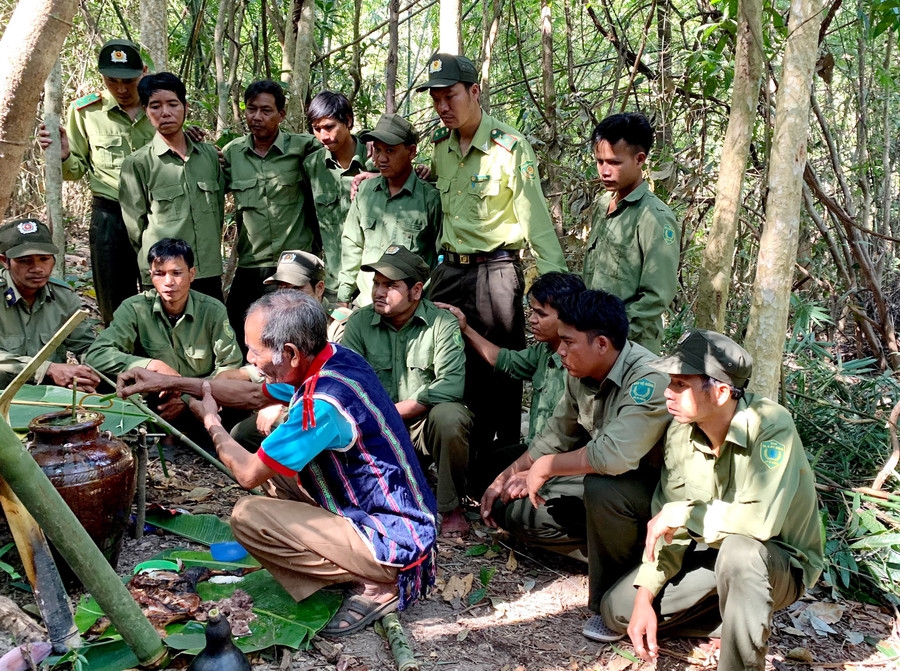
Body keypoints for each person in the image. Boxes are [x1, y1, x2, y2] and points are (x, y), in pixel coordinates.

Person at [116, 291, 437, 636]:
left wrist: (212, 423)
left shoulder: (322, 403)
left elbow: (248, 473)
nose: (250, 360)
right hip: (387, 514)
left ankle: (378, 579)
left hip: (392, 536)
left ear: (290, 354)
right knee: (280, 477)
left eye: (255, 350)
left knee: (248, 516)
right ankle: (356, 561)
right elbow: (254, 395)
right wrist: (171, 381)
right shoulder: (333, 359)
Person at [599, 330, 824, 670]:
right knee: (618, 611)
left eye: (679, 384)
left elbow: (760, 523)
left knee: (741, 552)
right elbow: (669, 526)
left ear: (720, 392)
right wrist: (645, 595)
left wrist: (685, 513)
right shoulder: (681, 430)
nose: (667, 393)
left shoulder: (771, 425)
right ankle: (735, 616)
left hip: (776, 562)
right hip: (710, 550)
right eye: (670, 382)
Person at [481, 290, 670, 623]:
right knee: (513, 510)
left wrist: (546, 468)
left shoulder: (647, 378)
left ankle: (612, 592)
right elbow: (555, 436)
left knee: (601, 489)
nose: (561, 351)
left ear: (601, 344)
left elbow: (615, 455)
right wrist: (505, 478)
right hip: (606, 485)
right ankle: (619, 552)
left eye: (568, 342)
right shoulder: (581, 374)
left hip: (654, 495)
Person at [416, 52, 568, 465]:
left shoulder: (510, 148)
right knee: (443, 363)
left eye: (451, 97)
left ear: (474, 91)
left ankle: (497, 464)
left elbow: (535, 220)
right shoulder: (440, 149)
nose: (443, 108)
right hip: (448, 271)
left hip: (496, 273)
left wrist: (562, 299)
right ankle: (452, 460)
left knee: (498, 375)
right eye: (436, 100)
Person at [342, 246, 472, 537]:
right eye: (376, 283)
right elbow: (345, 383)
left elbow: (451, 384)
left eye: (390, 285)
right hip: (374, 430)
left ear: (416, 291)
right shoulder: (360, 323)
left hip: (421, 430)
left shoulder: (441, 323)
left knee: (451, 415)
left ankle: (450, 506)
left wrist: (396, 411)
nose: (379, 291)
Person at [37, 39, 151, 324]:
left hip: (157, 215)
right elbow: (74, 169)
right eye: (112, 81)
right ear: (102, 78)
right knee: (113, 298)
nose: (122, 89)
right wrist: (62, 155)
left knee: (160, 292)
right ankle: (119, 362)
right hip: (110, 215)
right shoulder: (86, 110)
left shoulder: (160, 105)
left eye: (129, 80)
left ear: (144, 72)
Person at [439, 271, 585, 492]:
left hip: (565, 461)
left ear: (568, 316)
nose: (532, 320)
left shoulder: (583, 363)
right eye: (532, 311)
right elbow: (505, 360)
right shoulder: (544, 351)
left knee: (515, 508)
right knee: (476, 475)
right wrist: (466, 328)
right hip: (534, 451)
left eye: (541, 314)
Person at [84, 239, 242, 417]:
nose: (168, 282)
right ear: (150, 275)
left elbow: (229, 367)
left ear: (192, 274)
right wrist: (152, 365)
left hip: (200, 399)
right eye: (159, 273)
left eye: (176, 273)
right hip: (149, 402)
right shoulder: (134, 308)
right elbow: (96, 355)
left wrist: (187, 398)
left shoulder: (212, 310)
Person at [223, 80, 320, 350]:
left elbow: (341, 154)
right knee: (239, 332)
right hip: (252, 263)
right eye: (251, 109)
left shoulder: (303, 148)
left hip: (294, 265)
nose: (257, 117)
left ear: (282, 114)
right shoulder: (233, 153)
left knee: (296, 338)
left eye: (266, 110)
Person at [119, 72, 225, 301]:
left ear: (185, 107)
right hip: (164, 276)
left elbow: (217, 210)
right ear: (146, 112)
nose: (165, 113)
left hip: (207, 270)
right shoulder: (138, 164)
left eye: (173, 104)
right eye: (155, 106)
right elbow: (135, 228)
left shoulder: (209, 156)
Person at [582, 112, 680, 355]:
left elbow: (657, 296)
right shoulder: (603, 204)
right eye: (599, 161)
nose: (604, 171)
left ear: (639, 159)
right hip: (595, 341)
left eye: (614, 163)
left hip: (632, 347)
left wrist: (614, 333)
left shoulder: (654, 217)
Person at [337, 114, 441, 307]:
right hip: (367, 303)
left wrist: (429, 302)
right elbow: (352, 245)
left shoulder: (430, 198)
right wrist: (344, 296)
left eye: (390, 151)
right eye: (377, 150)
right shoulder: (366, 193)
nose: (381, 159)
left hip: (412, 307)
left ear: (411, 152)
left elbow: (440, 257)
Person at [0, 218, 99, 391]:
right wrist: (48, 369)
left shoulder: (63, 297)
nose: (37, 268)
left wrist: (88, 374)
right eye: (24, 261)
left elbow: (86, 347)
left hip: (48, 398)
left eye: (44, 259)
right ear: (4, 261)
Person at [303, 91, 372, 301]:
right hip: (334, 284)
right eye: (317, 129)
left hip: (374, 283)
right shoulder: (312, 166)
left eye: (330, 127)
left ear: (348, 121)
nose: (324, 136)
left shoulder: (377, 160)